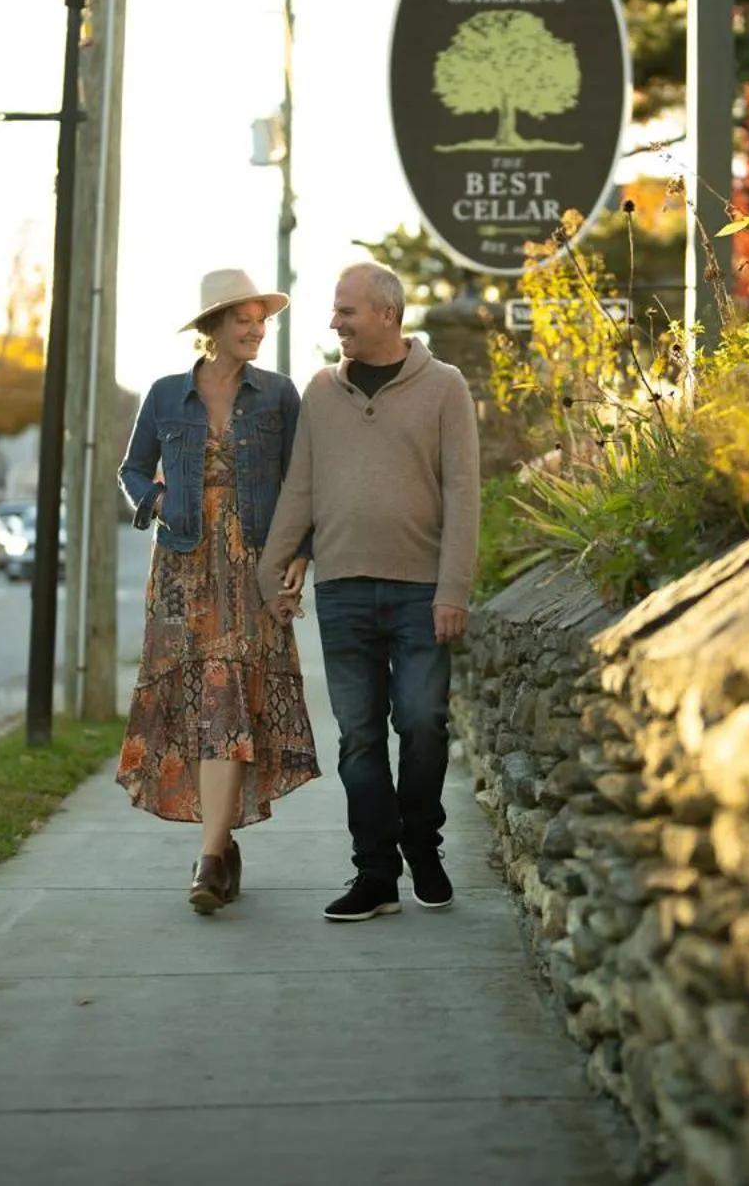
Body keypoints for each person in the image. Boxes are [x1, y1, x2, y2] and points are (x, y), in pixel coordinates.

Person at [258, 261, 481, 923]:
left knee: (422, 722)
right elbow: (301, 486)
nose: (335, 322)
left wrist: (453, 589)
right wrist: (273, 570)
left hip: (422, 591)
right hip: (344, 591)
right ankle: (376, 873)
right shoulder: (321, 392)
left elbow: (463, 493)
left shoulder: (445, 387)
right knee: (358, 738)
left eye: (346, 311)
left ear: (388, 313)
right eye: (335, 311)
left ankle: (423, 846)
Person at [116, 269, 319, 915]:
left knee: (230, 698)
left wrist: (301, 554)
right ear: (214, 327)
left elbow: (303, 482)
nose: (257, 331)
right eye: (244, 321)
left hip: (253, 567)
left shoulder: (279, 395)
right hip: (182, 571)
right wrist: (156, 499)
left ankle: (209, 858)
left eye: (262, 321)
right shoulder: (165, 395)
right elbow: (131, 469)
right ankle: (219, 848)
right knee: (202, 705)